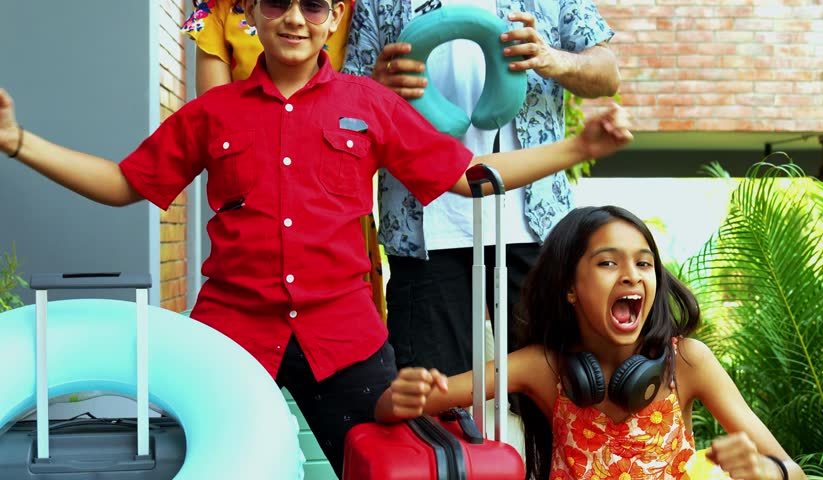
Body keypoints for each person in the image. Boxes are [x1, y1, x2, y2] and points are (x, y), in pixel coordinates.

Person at [0, 0, 632, 474]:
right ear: (250, 14)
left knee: (393, 466)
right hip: (230, 334)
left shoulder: (370, 103)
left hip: (346, 338)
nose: (295, 17)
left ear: (333, 18)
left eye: (314, 4)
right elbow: (121, 182)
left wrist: (577, 146)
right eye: (277, 2)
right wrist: (19, 142)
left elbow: (467, 178)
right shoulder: (211, 113)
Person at [374, 206, 808, 480]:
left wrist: (766, 474)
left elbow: (794, 470)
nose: (631, 275)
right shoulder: (543, 368)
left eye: (644, 262)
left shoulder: (689, 362)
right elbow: (394, 407)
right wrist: (403, 397)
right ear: (570, 288)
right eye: (607, 262)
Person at [343, 0, 622, 380]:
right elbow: (346, 111)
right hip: (423, 236)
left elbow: (608, 74)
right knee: (435, 406)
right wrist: (375, 88)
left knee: (556, 394)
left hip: (536, 231)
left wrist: (553, 59)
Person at [180, 0, 389, 324]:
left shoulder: (345, 6)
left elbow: (361, 100)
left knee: (345, 336)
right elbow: (215, 119)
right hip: (257, 193)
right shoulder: (218, 8)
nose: (295, 19)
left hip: (333, 198)